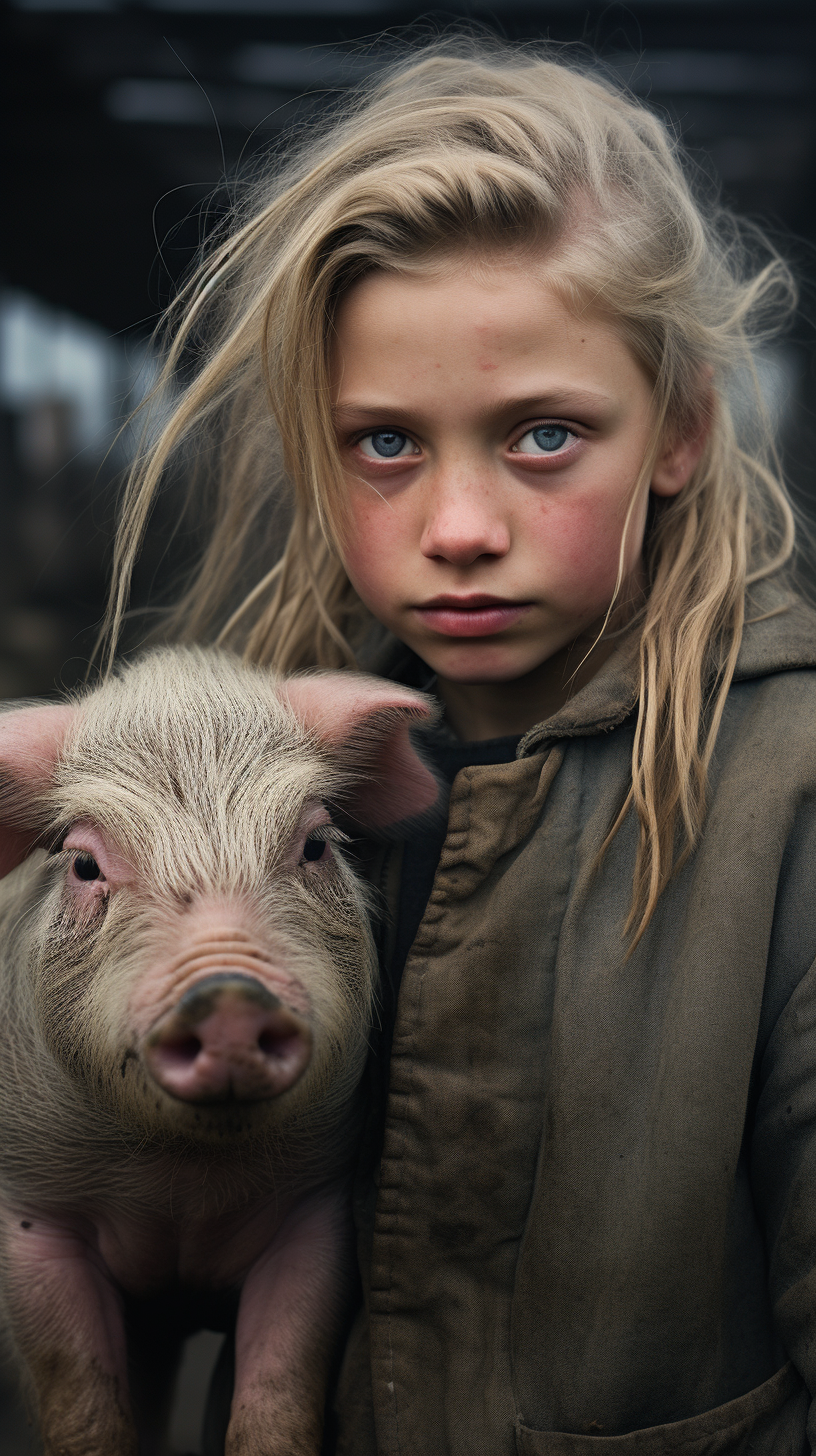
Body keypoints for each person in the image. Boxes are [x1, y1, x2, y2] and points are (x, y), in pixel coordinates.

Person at [104, 38, 816, 1456]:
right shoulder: (239, 796)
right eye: (384, 445)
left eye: (544, 436)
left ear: (678, 431)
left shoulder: (787, 796)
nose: (460, 527)